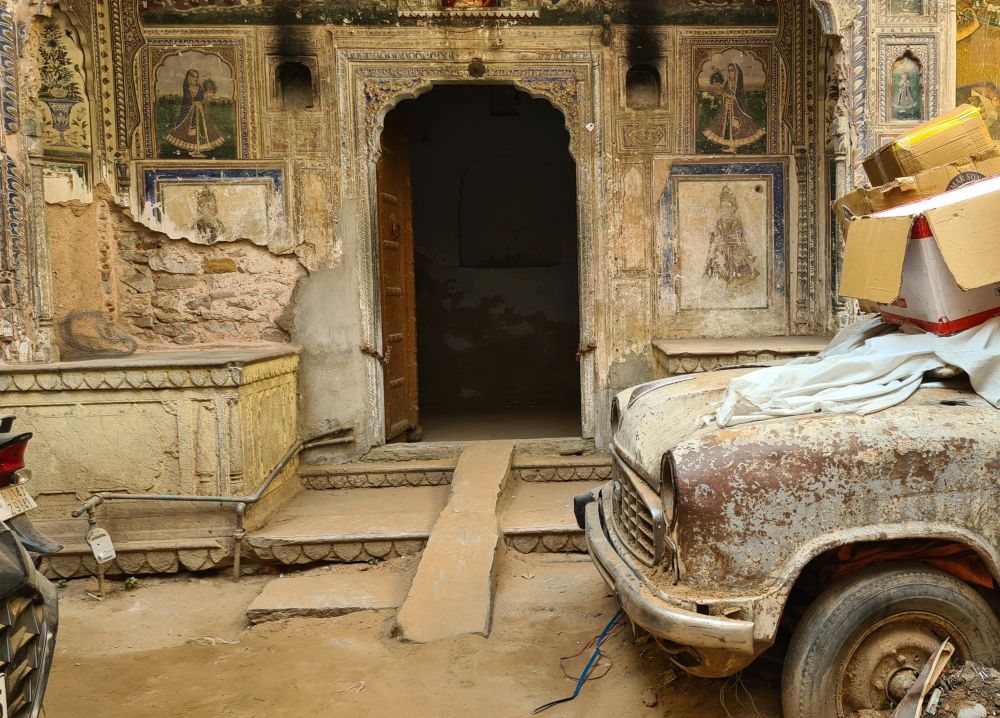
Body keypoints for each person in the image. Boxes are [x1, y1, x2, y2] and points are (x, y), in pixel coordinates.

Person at [702, 62, 766, 154]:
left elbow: (737, 98)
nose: (730, 73)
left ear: (736, 73)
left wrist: (724, 93)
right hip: (727, 109)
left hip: (736, 110)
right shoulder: (728, 83)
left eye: (732, 71)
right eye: (729, 71)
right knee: (727, 128)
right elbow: (725, 94)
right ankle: (731, 146)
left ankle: (733, 147)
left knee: (735, 128)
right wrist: (723, 94)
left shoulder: (738, 86)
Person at [704, 185, 759, 287]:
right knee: (716, 254)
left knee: (736, 258)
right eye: (722, 207)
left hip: (734, 249)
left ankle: (735, 276)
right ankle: (718, 274)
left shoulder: (736, 222)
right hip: (721, 248)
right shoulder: (719, 222)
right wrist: (716, 237)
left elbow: (739, 238)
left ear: (733, 209)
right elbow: (716, 235)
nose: (724, 211)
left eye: (727, 207)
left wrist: (727, 239)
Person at [164, 69, 225, 157]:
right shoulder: (187, 87)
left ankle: (196, 150)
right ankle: (191, 151)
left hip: (199, 113)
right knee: (189, 131)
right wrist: (195, 104)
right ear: (188, 77)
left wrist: (203, 101)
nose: (195, 79)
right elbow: (188, 100)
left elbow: (201, 98)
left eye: (197, 77)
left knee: (199, 131)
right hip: (189, 113)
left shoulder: (199, 87)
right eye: (193, 76)